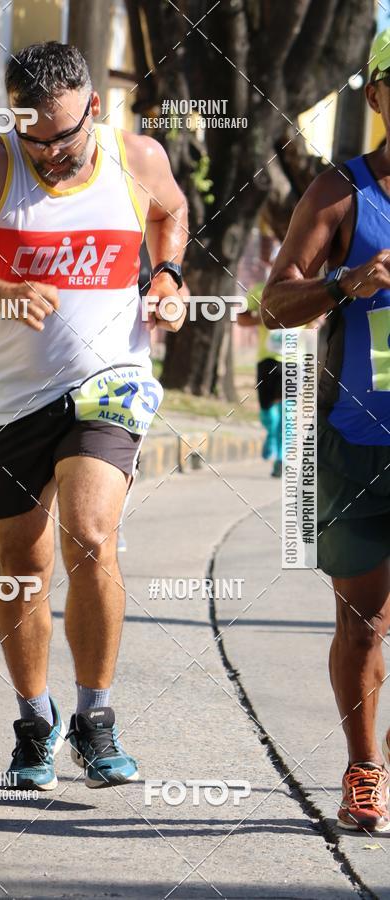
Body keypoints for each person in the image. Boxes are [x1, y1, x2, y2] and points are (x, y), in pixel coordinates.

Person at [0, 41, 187, 790]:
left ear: (94, 108)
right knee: (21, 563)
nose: (49, 154)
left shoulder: (138, 158)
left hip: (110, 383)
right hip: (12, 397)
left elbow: (172, 213)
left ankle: (96, 719)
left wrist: (166, 276)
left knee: (91, 535)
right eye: (33, 136)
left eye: (62, 137)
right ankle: (36, 721)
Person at [261, 30, 390, 832]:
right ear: (377, 95)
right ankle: (364, 770)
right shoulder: (339, 194)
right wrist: (345, 284)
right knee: (364, 620)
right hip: (359, 442)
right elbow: (273, 303)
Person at [237, 281, 284, 478]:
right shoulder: (262, 289)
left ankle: (281, 458)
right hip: (267, 358)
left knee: (287, 411)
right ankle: (271, 434)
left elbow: (320, 318)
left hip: (295, 359)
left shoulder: (310, 286)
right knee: (267, 409)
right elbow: (242, 318)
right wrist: (264, 319)